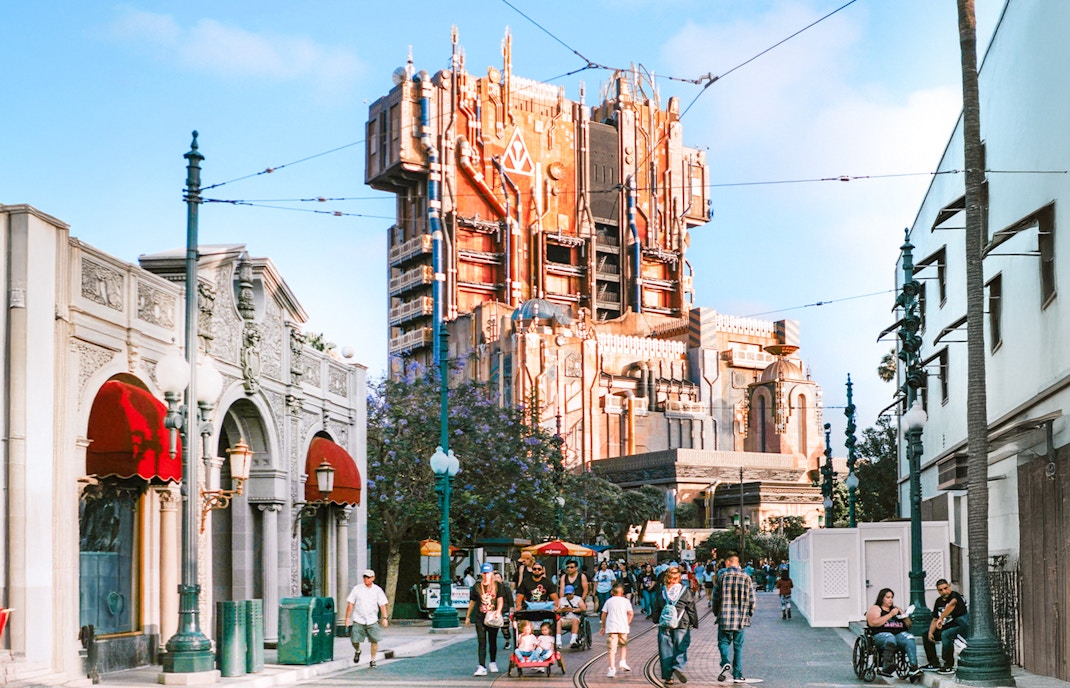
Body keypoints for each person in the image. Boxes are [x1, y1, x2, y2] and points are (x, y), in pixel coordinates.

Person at [652, 565, 699, 686]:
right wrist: (694, 622)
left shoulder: (662, 591)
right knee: (681, 645)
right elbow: (691, 608)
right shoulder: (685, 591)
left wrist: (656, 619)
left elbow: (656, 606)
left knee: (665, 650)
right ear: (678, 578)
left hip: (665, 624)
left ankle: (668, 677)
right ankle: (678, 665)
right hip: (681, 623)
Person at [713, 552, 755, 683]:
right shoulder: (746, 577)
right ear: (738, 563)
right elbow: (752, 599)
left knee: (723, 642)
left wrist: (716, 612)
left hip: (725, 617)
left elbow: (716, 597)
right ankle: (737, 674)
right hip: (741, 619)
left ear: (727, 563)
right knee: (738, 647)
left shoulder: (722, 577)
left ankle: (725, 661)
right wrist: (749, 613)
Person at [866, 588, 921, 680]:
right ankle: (886, 665)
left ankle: (913, 667)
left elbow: (908, 625)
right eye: (888, 597)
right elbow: (873, 623)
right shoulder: (875, 608)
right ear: (882, 598)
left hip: (897, 634)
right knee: (890, 637)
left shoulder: (896, 609)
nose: (890, 599)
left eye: (892, 597)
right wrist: (890, 615)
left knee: (909, 638)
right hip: (880, 635)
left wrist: (905, 616)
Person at [465, 563, 505, 676]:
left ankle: (492, 662)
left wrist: (498, 611)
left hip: (492, 616)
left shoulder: (497, 586)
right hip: (480, 616)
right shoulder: (477, 586)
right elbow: (472, 601)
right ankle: (481, 665)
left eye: (488, 573)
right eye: (484, 573)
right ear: (482, 574)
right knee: (481, 641)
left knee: (492, 640)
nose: (486, 575)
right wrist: (468, 616)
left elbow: (500, 600)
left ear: (492, 573)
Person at [344, 568, 389, 668]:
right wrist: (347, 618)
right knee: (355, 639)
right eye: (364, 577)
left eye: (368, 577)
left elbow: (382, 605)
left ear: (373, 578)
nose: (366, 579)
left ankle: (373, 659)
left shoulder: (377, 590)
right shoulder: (357, 589)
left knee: (374, 640)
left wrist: (384, 618)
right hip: (358, 618)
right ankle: (357, 650)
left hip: (372, 619)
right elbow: (351, 603)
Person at [922, 579, 969, 674]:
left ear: (949, 586)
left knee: (946, 635)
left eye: (945, 588)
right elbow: (935, 618)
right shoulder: (938, 601)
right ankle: (933, 662)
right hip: (945, 626)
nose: (944, 591)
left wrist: (941, 618)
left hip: (958, 626)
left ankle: (948, 664)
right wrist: (931, 632)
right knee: (926, 634)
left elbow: (952, 604)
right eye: (940, 590)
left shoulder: (955, 596)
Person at [600, 581, 633, 678]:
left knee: (611, 649)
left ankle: (611, 668)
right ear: (622, 592)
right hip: (623, 627)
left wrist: (603, 626)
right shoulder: (626, 601)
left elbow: (603, 614)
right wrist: (627, 623)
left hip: (611, 627)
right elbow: (631, 613)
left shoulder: (609, 601)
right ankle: (622, 661)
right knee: (623, 645)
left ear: (612, 592)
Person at [494, 571, 514, 649]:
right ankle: (493, 642)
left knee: (505, 627)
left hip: (504, 610)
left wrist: (512, 609)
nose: (496, 579)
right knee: (493, 627)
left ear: (501, 579)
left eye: (498, 577)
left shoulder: (506, 588)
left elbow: (510, 599)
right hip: (494, 611)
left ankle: (507, 641)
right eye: (495, 578)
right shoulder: (491, 589)